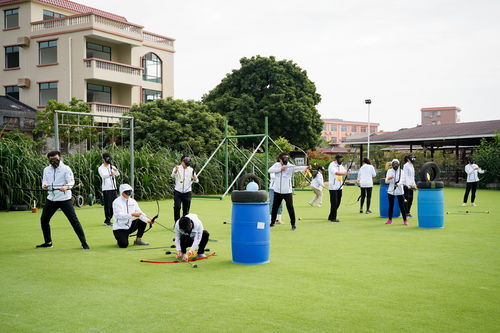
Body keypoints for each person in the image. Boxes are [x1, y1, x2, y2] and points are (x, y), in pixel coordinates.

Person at [36, 151, 89, 249]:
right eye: (51, 159)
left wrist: (66, 187)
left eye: (55, 158)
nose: (54, 160)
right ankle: (48, 242)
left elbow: (71, 182)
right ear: (49, 159)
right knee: (44, 220)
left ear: (59, 157)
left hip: (64, 199)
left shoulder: (66, 169)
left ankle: (84, 243)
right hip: (51, 199)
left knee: (74, 220)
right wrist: (44, 186)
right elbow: (44, 182)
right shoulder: (46, 169)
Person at [268, 153, 311, 230]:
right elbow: (269, 170)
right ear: (280, 160)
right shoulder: (276, 165)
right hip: (277, 191)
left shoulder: (290, 166)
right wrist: (280, 169)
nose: (285, 161)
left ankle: (293, 224)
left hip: (287, 191)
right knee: (275, 207)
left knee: (290, 207)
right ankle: (272, 222)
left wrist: (307, 167)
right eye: (283, 159)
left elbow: (298, 168)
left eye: (286, 159)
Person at [112, 184, 153, 248]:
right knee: (123, 245)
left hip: (130, 226)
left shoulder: (133, 201)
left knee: (142, 221)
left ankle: (138, 240)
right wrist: (132, 214)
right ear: (122, 192)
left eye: (130, 192)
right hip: (119, 228)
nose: (129, 194)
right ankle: (120, 238)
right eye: (127, 192)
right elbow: (119, 216)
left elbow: (140, 213)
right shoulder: (116, 202)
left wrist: (148, 220)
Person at [171, 156, 199, 223]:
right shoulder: (177, 168)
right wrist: (175, 171)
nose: (186, 166)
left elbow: (197, 180)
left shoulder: (191, 170)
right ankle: (177, 223)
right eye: (185, 164)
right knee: (177, 207)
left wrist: (194, 178)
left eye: (187, 165)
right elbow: (172, 176)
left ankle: (184, 224)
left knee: (186, 210)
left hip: (187, 192)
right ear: (182, 162)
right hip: (178, 191)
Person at [98, 152, 120, 226]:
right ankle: (107, 220)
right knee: (108, 205)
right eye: (107, 158)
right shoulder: (101, 168)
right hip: (106, 189)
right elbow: (103, 176)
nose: (109, 159)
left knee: (115, 204)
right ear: (104, 159)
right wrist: (110, 174)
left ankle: (114, 219)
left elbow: (118, 174)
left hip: (114, 188)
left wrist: (116, 170)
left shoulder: (112, 166)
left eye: (109, 158)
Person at [385, 159, 408, 226]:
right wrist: (389, 178)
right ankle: (389, 219)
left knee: (402, 206)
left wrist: (398, 184)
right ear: (391, 165)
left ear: (398, 164)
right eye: (393, 164)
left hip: (400, 190)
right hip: (391, 190)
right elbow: (386, 181)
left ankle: (405, 220)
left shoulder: (402, 171)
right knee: (390, 206)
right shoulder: (389, 171)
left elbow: (403, 180)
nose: (395, 166)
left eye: (396, 164)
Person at [328, 154, 348, 222]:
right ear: (336, 159)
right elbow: (336, 173)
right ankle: (333, 218)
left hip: (340, 186)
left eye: (341, 159)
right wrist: (345, 174)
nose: (341, 161)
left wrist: (347, 171)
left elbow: (344, 171)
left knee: (338, 202)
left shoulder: (340, 165)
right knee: (334, 202)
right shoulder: (332, 165)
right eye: (340, 159)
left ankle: (331, 216)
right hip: (333, 187)